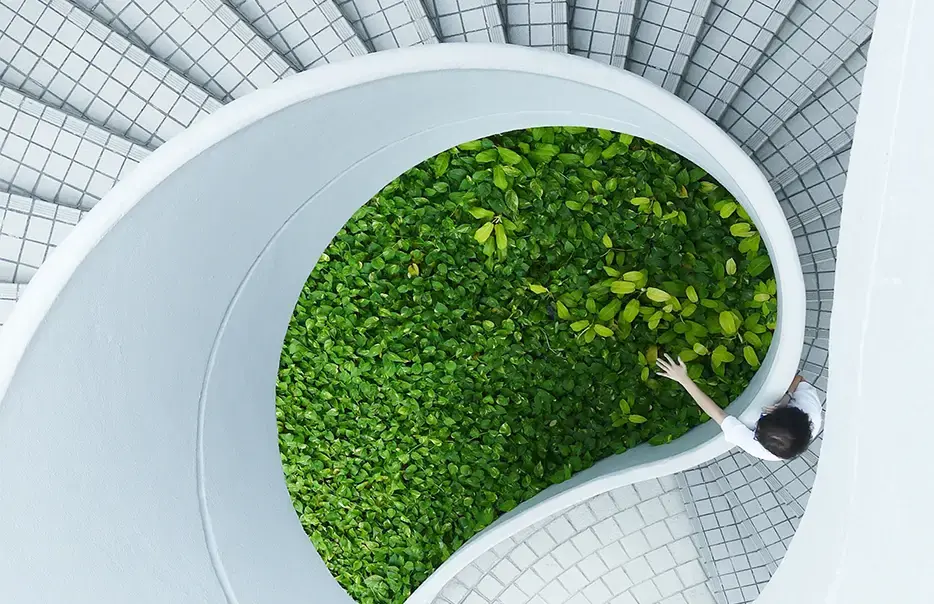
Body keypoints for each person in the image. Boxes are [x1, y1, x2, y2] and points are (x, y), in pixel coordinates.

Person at [655, 354, 822, 461]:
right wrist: (786, 398)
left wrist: (683, 379)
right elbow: (799, 379)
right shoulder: (810, 411)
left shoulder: (755, 446)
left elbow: (717, 413)